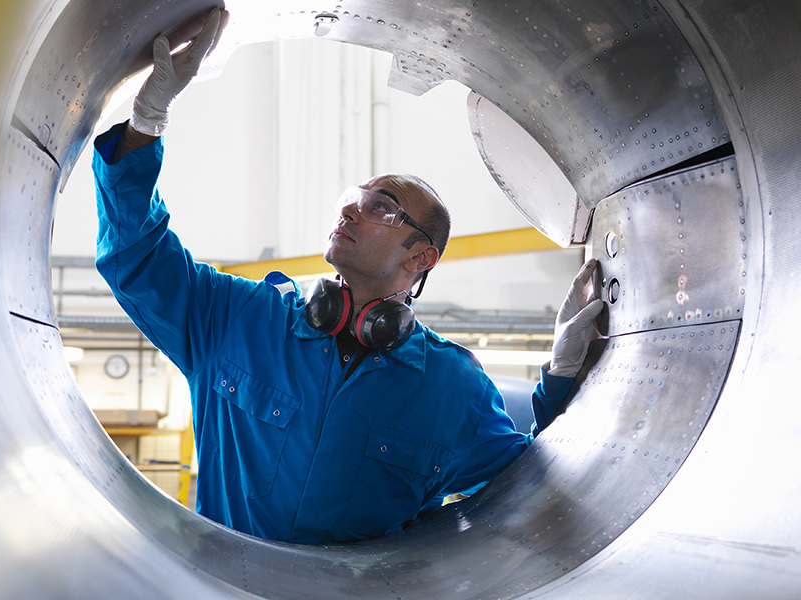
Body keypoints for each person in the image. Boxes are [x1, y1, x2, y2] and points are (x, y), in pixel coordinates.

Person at [92, 7, 607, 544]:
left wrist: (563, 376)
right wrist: (146, 119)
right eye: (351, 199)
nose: (349, 212)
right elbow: (136, 254)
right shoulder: (237, 317)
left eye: (381, 206)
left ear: (420, 258)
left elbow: (531, 483)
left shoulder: (453, 390)